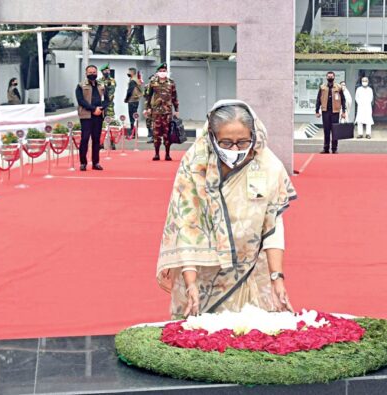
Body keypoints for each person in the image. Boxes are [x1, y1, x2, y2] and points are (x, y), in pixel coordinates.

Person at [156, 100, 297, 317]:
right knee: (198, 337)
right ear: (211, 137)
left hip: (249, 272)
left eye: (242, 142)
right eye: (226, 142)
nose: (234, 149)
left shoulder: (268, 165)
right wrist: (190, 282)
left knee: (250, 338)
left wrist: (276, 277)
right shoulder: (195, 166)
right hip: (202, 272)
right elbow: (186, 223)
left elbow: (273, 223)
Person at [75, 64, 108, 171]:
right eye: (90, 72)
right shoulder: (80, 86)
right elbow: (81, 101)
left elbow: (107, 99)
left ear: (97, 73)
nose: (92, 74)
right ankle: (83, 163)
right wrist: (93, 109)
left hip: (99, 115)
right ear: (86, 73)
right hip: (86, 116)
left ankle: (96, 162)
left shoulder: (102, 85)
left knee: (96, 140)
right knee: (85, 139)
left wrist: (101, 109)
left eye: (94, 72)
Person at [143, 63, 179, 161]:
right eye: (161, 71)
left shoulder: (171, 82)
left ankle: (167, 154)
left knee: (167, 134)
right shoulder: (153, 82)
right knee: (156, 133)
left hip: (167, 112)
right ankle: (156, 154)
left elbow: (174, 97)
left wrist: (176, 110)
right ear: (157, 72)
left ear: (166, 72)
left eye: (164, 71)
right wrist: (147, 108)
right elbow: (148, 96)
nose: (163, 73)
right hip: (156, 112)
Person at [315, 71, 347, 154]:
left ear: (334, 77)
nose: (330, 78)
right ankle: (326, 148)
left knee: (335, 130)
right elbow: (318, 99)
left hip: (335, 112)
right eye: (328, 76)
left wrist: (343, 111)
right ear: (326, 77)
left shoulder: (338, 87)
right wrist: (317, 110)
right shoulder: (322, 87)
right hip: (325, 111)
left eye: (331, 76)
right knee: (326, 130)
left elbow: (343, 100)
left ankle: (334, 148)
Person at [124, 67, 143, 136]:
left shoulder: (133, 81)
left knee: (132, 117)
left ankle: (133, 133)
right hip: (135, 99)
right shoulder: (136, 79)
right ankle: (134, 133)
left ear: (132, 72)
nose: (128, 73)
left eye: (129, 72)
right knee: (134, 115)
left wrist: (126, 99)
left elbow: (130, 91)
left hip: (132, 100)